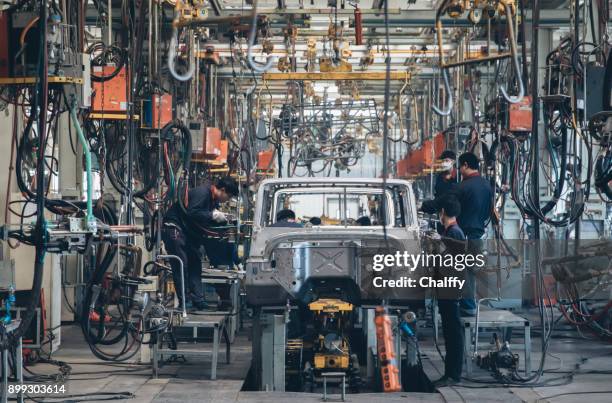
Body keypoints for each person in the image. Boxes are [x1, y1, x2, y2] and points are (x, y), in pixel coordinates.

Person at [162, 177, 239, 310]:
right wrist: (212, 216)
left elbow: (203, 218)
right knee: (182, 265)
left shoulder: (212, 200)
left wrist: (223, 220)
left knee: (195, 263)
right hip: (174, 228)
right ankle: (185, 302)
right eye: (229, 196)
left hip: (186, 231)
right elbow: (193, 212)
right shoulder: (203, 193)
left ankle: (198, 300)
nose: (227, 199)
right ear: (222, 190)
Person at [433, 194, 466, 387]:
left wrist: (437, 245)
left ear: (443, 212)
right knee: (450, 332)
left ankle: (453, 374)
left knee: (453, 333)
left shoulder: (454, 233)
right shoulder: (453, 232)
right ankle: (451, 373)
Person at [456, 152, 492, 316]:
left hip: (464, 234)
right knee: (469, 271)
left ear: (465, 165)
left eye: (459, 166)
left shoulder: (463, 187)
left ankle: (468, 306)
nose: (459, 170)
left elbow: (453, 211)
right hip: (478, 234)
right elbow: (488, 211)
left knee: (463, 272)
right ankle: (469, 304)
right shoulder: (486, 185)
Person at [420, 150, 459, 215]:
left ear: (453, 161)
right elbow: (437, 194)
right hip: (441, 211)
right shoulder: (440, 177)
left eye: (446, 160)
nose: (444, 163)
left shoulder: (458, 177)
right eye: (443, 161)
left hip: (454, 212)